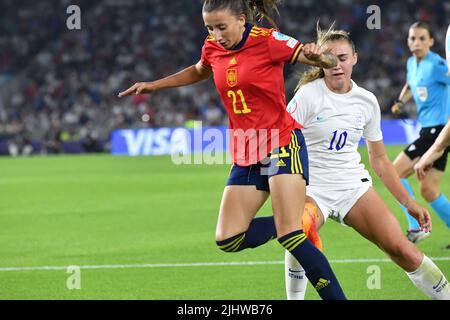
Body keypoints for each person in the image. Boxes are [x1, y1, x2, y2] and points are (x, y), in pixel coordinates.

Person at [119, 0, 346, 299]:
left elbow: (325, 62)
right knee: (229, 239)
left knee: (291, 235)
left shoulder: (268, 41)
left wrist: (321, 57)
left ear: (241, 19)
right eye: (210, 28)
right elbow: (200, 70)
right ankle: (291, 218)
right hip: (246, 150)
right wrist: (155, 86)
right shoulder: (212, 47)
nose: (216, 34)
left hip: (281, 142)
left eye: (221, 27)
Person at [284, 27, 450, 300]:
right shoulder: (306, 96)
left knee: (403, 250)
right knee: (299, 230)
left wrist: (410, 204)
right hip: (313, 190)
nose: (336, 65)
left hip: (352, 188)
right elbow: (281, 142)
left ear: (355, 59)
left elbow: (381, 160)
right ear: (319, 61)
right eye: (328, 58)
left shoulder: (366, 101)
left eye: (343, 57)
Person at [391, 22, 450, 243]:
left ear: (432, 42)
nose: (416, 43)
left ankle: (416, 227)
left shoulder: (437, 65)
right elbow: (410, 84)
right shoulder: (411, 64)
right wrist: (400, 101)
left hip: (438, 130)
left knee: (394, 173)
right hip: (430, 129)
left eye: (422, 38)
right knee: (429, 189)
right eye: (412, 38)